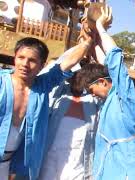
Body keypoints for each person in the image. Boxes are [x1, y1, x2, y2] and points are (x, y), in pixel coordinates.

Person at [0, 36, 92, 180]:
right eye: (21, 57)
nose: (25, 64)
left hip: (9, 164)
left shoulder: (42, 86)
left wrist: (88, 41)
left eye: (32, 60)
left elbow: (67, 63)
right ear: (14, 58)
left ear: (42, 65)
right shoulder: (1, 82)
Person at [81, 7, 135, 180]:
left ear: (103, 82)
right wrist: (94, 39)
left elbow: (114, 60)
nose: (92, 95)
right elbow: (105, 63)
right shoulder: (109, 99)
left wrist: (101, 27)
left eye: (91, 90)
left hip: (128, 171)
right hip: (111, 166)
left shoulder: (125, 97)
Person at [39, 59, 100, 179]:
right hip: (48, 163)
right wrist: (81, 50)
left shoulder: (94, 100)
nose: (78, 77)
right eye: (74, 72)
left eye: (82, 74)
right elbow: (48, 73)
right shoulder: (58, 96)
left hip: (78, 167)